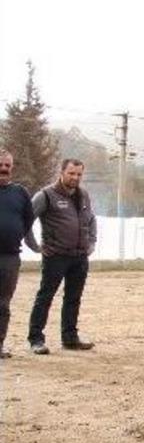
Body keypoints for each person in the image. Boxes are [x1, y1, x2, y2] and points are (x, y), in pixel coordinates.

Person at [27, 158, 96, 354]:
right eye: (71, 173)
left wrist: (92, 242)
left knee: (73, 298)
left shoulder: (84, 195)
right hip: (55, 256)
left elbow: (91, 219)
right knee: (45, 297)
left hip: (79, 257)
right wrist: (35, 246)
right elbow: (27, 220)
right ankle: (36, 339)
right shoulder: (46, 195)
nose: (75, 177)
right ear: (62, 172)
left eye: (79, 174)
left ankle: (70, 338)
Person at [0, 150, 40, 358]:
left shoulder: (20, 193)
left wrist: (33, 244)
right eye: (1, 164)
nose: (3, 168)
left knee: (3, 305)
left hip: (9, 258)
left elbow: (28, 220)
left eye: (7, 165)